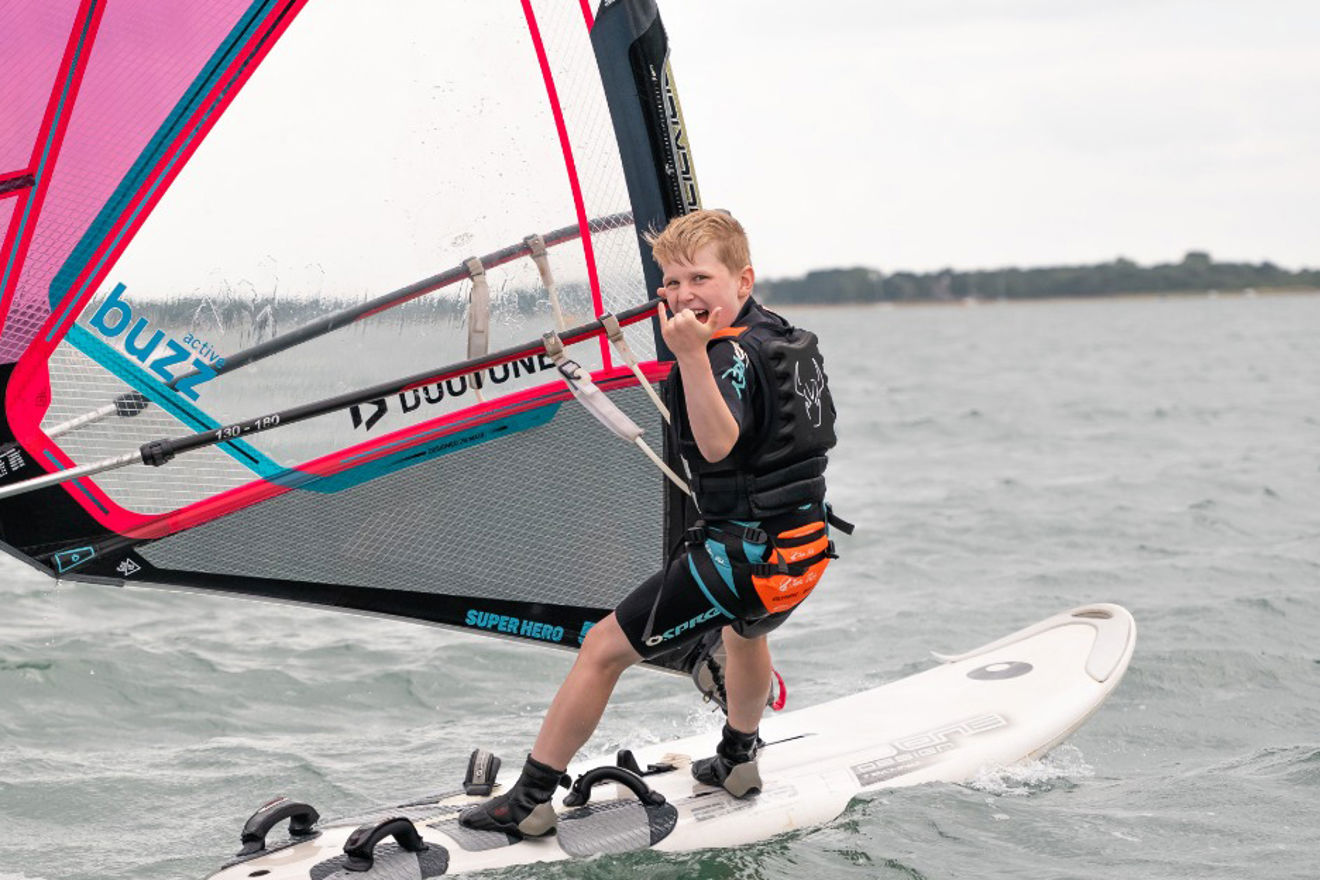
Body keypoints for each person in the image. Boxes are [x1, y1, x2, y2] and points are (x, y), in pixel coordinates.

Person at [460, 209, 845, 838]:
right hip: (801, 555)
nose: (685, 294)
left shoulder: (721, 355)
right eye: (672, 282)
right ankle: (739, 760)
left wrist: (690, 354)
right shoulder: (782, 336)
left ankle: (529, 801)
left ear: (742, 281)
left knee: (602, 650)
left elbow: (719, 445)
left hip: (743, 561)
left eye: (701, 278)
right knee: (746, 636)